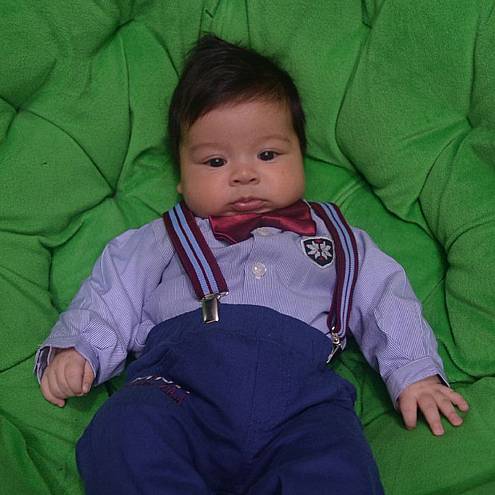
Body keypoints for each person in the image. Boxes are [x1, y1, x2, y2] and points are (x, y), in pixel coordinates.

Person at [35, 35, 469, 494]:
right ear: (181, 177)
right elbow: (113, 292)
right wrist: (81, 348)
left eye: (267, 155)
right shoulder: (162, 237)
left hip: (302, 406)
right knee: (124, 432)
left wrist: (414, 370)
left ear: (300, 156)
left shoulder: (339, 239)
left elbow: (386, 298)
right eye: (215, 160)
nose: (244, 174)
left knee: (337, 468)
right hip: (178, 392)